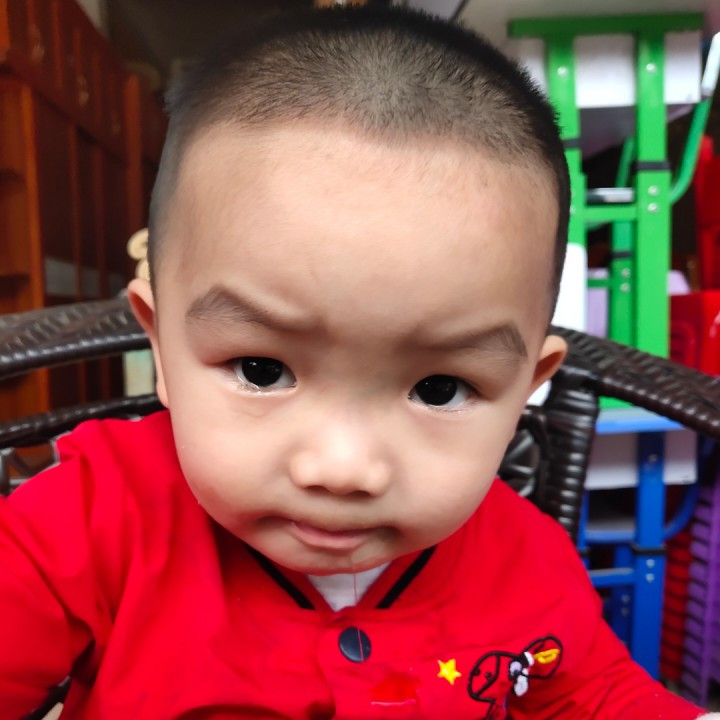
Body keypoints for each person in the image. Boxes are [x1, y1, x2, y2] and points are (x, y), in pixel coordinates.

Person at [0, 6, 715, 719]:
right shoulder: (85, 524)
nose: (342, 469)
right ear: (160, 345)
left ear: (527, 387)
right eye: (261, 370)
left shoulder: (525, 558)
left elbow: (592, 695)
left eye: (441, 388)